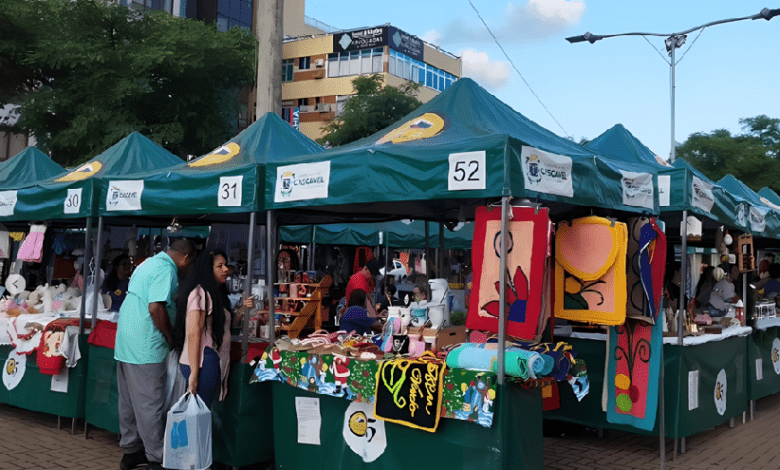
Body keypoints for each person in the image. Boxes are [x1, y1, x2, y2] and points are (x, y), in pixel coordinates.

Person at [115, 239, 195, 470]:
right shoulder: (165, 269)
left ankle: (131, 451)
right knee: (149, 403)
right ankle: (157, 458)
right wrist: (170, 336)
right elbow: (155, 307)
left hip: (126, 339)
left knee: (129, 402)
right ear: (186, 258)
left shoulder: (148, 263)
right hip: (145, 343)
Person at [173, 250, 254, 408]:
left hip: (206, 359)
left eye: (225, 265)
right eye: (220, 266)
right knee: (200, 410)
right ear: (208, 270)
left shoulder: (214, 293)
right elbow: (194, 333)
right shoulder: (200, 294)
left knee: (201, 410)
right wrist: (194, 375)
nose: (226, 269)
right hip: (202, 361)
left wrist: (243, 309)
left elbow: (225, 326)